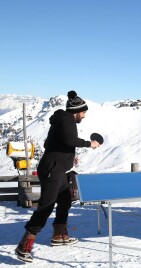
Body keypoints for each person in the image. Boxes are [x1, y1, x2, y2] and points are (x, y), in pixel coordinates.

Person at [15, 90, 101, 263]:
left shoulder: (60, 121)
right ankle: (24, 245)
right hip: (53, 170)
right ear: (77, 111)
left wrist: (69, 155)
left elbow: (51, 143)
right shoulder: (68, 120)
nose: (84, 116)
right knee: (46, 206)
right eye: (83, 112)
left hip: (56, 168)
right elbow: (70, 140)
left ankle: (59, 235)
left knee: (65, 200)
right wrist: (88, 144)